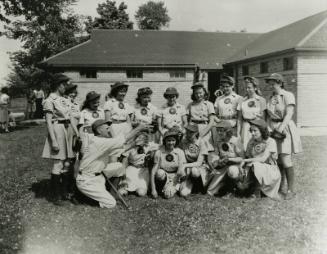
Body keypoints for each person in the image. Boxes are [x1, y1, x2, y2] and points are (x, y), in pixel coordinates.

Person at [76, 119, 149, 208]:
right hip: (87, 180)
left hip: (98, 175)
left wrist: (135, 144)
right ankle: (83, 198)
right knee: (111, 204)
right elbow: (124, 139)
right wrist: (139, 127)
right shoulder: (99, 141)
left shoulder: (103, 142)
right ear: (99, 131)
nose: (109, 130)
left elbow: (121, 150)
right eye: (106, 128)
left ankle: (113, 193)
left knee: (118, 166)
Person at [265, 73, 302, 199]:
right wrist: (269, 129)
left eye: (273, 83)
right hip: (273, 128)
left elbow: (289, 114)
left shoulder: (287, 95)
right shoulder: (270, 98)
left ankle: (291, 190)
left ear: (280, 83)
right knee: (278, 159)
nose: (271, 86)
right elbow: (269, 115)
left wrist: (280, 129)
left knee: (286, 159)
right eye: (269, 83)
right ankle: (280, 187)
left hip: (284, 128)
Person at [41, 73, 77, 205]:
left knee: (67, 162)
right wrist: (54, 141)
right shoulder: (50, 100)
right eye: (64, 84)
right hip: (57, 130)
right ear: (58, 85)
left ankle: (65, 191)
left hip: (67, 130)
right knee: (58, 163)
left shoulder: (65, 99)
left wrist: (76, 133)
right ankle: (54, 195)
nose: (66, 87)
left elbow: (71, 117)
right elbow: (49, 122)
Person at [242, 119, 282, 200]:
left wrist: (245, 161)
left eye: (255, 131)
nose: (252, 133)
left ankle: (256, 193)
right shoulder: (251, 141)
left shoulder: (270, 141)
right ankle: (247, 189)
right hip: (254, 168)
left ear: (262, 130)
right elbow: (248, 156)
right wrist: (242, 166)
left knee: (255, 165)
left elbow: (263, 159)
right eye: (251, 131)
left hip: (270, 171)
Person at [207, 121, 244, 196]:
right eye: (218, 131)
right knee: (210, 192)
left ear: (228, 131)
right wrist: (216, 161)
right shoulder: (218, 141)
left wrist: (230, 159)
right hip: (223, 166)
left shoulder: (235, 141)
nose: (219, 133)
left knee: (232, 171)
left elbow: (242, 158)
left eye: (221, 131)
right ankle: (223, 185)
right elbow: (216, 154)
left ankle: (231, 190)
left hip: (235, 166)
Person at [151, 130, 189, 199]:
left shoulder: (179, 152)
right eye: (168, 140)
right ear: (165, 141)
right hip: (164, 176)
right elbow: (153, 171)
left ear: (176, 141)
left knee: (177, 194)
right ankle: (160, 189)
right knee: (160, 173)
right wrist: (153, 189)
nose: (171, 143)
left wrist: (182, 184)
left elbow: (182, 171)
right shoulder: (159, 152)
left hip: (175, 177)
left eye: (173, 140)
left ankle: (175, 188)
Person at [119, 131, 159, 196]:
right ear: (135, 139)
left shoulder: (148, 146)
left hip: (143, 171)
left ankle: (141, 187)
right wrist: (123, 178)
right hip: (131, 169)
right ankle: (126, 188)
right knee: (122, 192)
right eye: (138, 138)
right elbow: (123, 164)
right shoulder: (130, 148)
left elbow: (161, 146)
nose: (140, 140)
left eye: (142, 138)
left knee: (141, 193)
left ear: (145, 140)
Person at [179, 124, 211, 197]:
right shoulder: (183, 142)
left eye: (191, 132)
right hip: (188, 169)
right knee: (183, 193)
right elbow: (180, 155)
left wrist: (185, 165)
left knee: (194, 171)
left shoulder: (201, 142)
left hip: (201, 168)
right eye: (187, 132)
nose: (188, 134)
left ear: (196, 133)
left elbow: (199, 163)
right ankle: (191, 186)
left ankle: (199, 188)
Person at [237, 76, 267, 150]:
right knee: (245, 147)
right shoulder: (242, 100)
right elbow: (239, 118)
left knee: (257, 147)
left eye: (249, 88)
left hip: (257, 127)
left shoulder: (261, 100)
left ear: (255, 88)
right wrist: (238, 132)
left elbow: (264, 118)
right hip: (246, 126)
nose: (247, 90)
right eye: (246, 88)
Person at [187, 82, 215, 152]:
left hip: (205, 128)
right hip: (192, 129)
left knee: (205, 149)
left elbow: (211, 121)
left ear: (204, 93)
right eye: (196, 93)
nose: (198, 95)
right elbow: (186, 120)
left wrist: (204, 132)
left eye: (200, 93)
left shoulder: (209, 104)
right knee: (194, 149)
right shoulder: (190, 105)